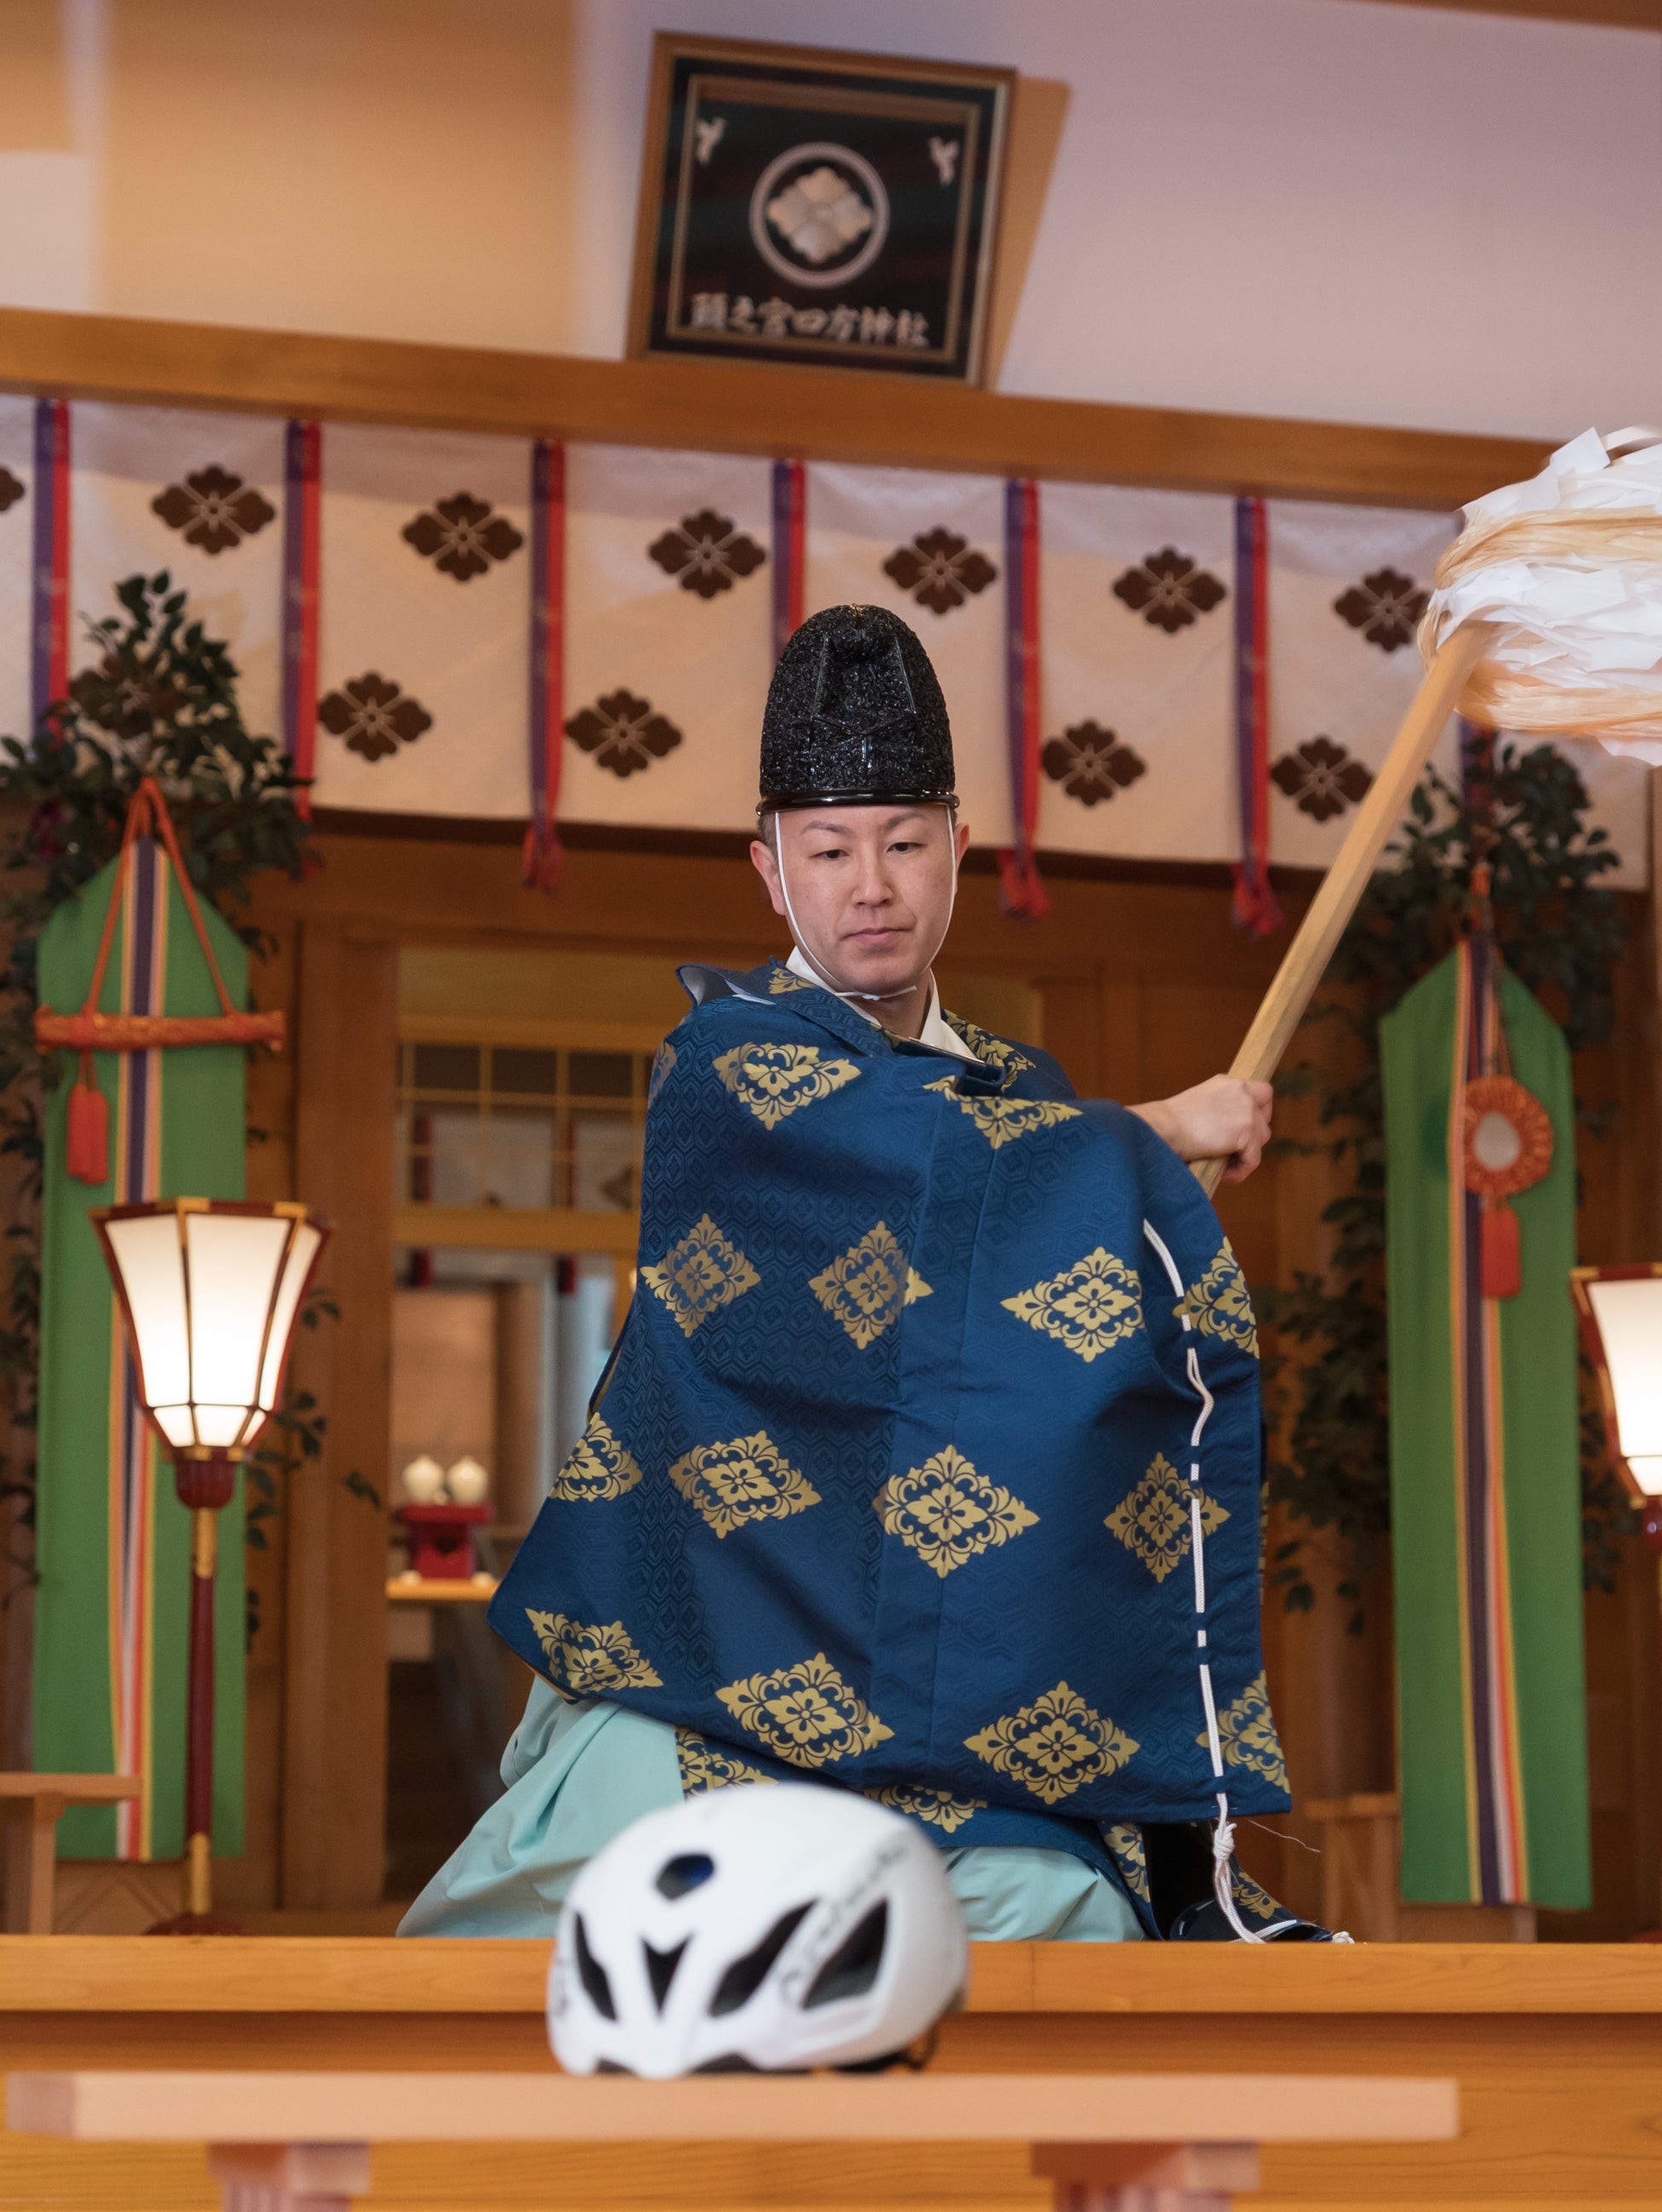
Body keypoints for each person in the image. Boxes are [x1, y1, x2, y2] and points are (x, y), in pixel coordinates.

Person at [403, 604, 1311, 1941]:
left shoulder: (1026, 1091)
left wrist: (1136, 1201)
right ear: (771, 874)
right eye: (829, 850)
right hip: (721, 1628)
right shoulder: (725, 1062)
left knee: (1069, 1922)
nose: (871, 885)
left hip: (951, 1663)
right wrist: (1153, 1137)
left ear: (959, 852)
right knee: (605, 1934)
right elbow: (904, 1151)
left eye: (904, 843)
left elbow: (1068, 1361)